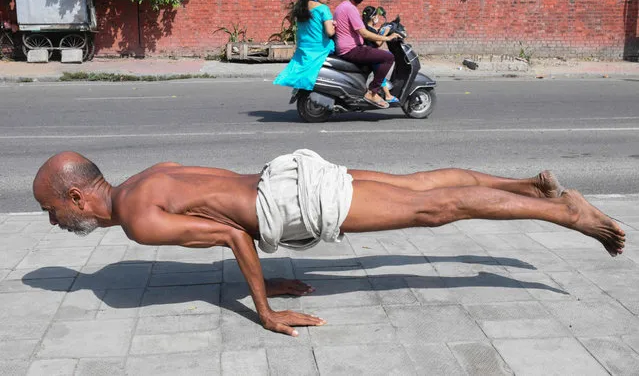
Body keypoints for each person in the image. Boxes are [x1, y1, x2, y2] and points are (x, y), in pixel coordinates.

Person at [33, 150, 625, 337]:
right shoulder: (147, 177)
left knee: (432, 209)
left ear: (79, 197)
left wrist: (264, 309)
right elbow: (223, 197)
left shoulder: (138, 218)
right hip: (287, 176)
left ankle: (566, 213)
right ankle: (528, 185)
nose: (55, 222)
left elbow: (233, 232)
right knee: (420, 185)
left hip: (293, 203)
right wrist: (273, 272)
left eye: (52, 210)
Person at [333, 0, 401, 109]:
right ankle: (372, 92)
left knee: (375, 57)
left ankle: (373, 90)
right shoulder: (349, 8)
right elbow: (364, 33)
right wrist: (387, 37)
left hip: (348, 48)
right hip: (351, 49)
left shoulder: (343, 6)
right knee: (388, 57)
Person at [273, 0, 335, 91]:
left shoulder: (302, 7)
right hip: (320, 48)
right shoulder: (323, 8)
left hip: (303, 47)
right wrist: (335, 27)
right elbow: (330, 32)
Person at [362, 5, 397, 103]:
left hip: (369, 53)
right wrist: (385, 34)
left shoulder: (366, 27)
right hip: (372, 55)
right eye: (376, 16)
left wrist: (381, 31)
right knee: (381, 72)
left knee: (381, 72)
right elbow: (378, 43)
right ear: (372, 17)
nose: (377, 18)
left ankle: (386, 94)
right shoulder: (369, 29)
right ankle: (388, 95)